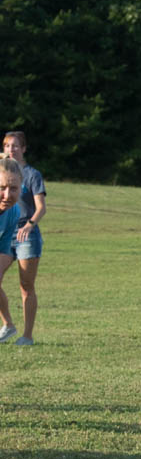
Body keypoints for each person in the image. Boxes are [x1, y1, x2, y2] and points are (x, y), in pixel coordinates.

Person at [0, 131, 46, 346]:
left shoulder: (32, 175)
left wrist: (29, 226)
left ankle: (27, 336)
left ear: (24, 148)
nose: (11, 149)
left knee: (26, 285)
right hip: (6, 232)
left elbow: (41, 207)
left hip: (26, 234)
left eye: (15, 146)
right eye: (7, 146)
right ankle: (8, 325)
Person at [0, 159, 25, 344]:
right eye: (2, 187)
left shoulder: (14, 211)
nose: (7, 195)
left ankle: (8, 326)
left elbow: (4, 247)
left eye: (13, 188)